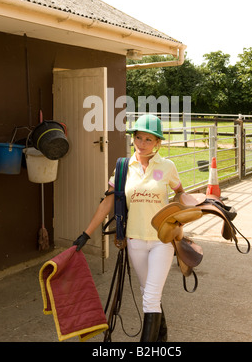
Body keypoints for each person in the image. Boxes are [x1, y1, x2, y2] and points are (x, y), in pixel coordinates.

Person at [73, 114, 185, 342]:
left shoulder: (167, 166)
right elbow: (108, 201)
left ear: (158, 142)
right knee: (147, 293)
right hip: (134, 240)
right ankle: (161, 336)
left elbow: (180, 191)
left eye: (148, 139)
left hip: (162, 241)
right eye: (138, 138)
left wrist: (179, 213)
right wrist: (86, 233)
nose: (142, 144)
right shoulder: (124, 167)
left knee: (151, 296)